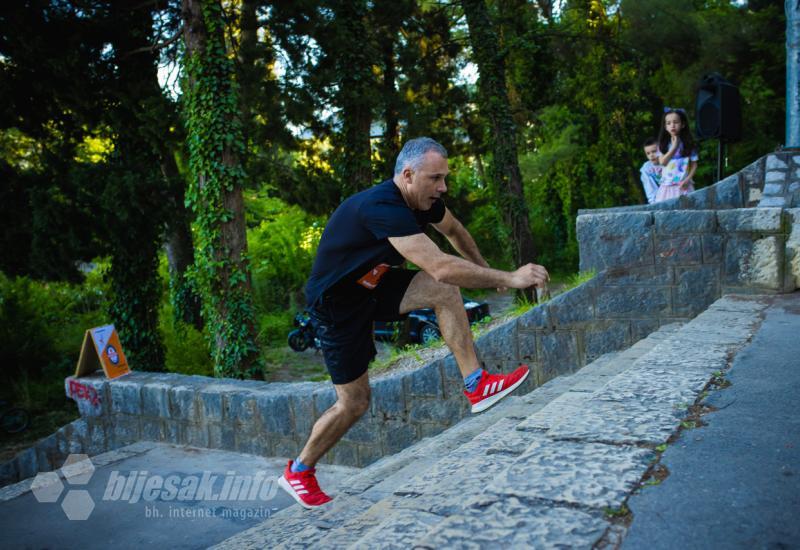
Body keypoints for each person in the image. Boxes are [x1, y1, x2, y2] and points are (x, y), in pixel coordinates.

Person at [278, 137, 549, 509]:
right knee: (354, 402)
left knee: (445, 292)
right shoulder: (381, 206)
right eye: (435, 179)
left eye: (445, 179)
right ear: (407, 175)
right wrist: (511, 276)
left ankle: (477, 384)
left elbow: (455, 232)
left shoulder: (426, 203)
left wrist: (491, 273)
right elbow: (438, 264)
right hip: (337, 304)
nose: (443, 188)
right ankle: (299, 469)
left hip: (373, 283)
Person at [654, 107, 698, 202]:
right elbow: (663, 162)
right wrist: (674, 147)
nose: (672, 125)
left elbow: (694, 165)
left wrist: (688, 179)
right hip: (666, 186)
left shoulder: (689, 144)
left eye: (676, 122)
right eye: (668, 123)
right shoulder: (663, 144)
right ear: (665, 127)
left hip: (683, 185)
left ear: (683, 124)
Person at [640, 138, 662, 204]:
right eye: (648, 153)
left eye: (654, 151)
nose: (651, 155)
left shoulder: (668, 163)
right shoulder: (646, 168)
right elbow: (649, 187)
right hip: (658, 199)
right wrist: (653, 203)